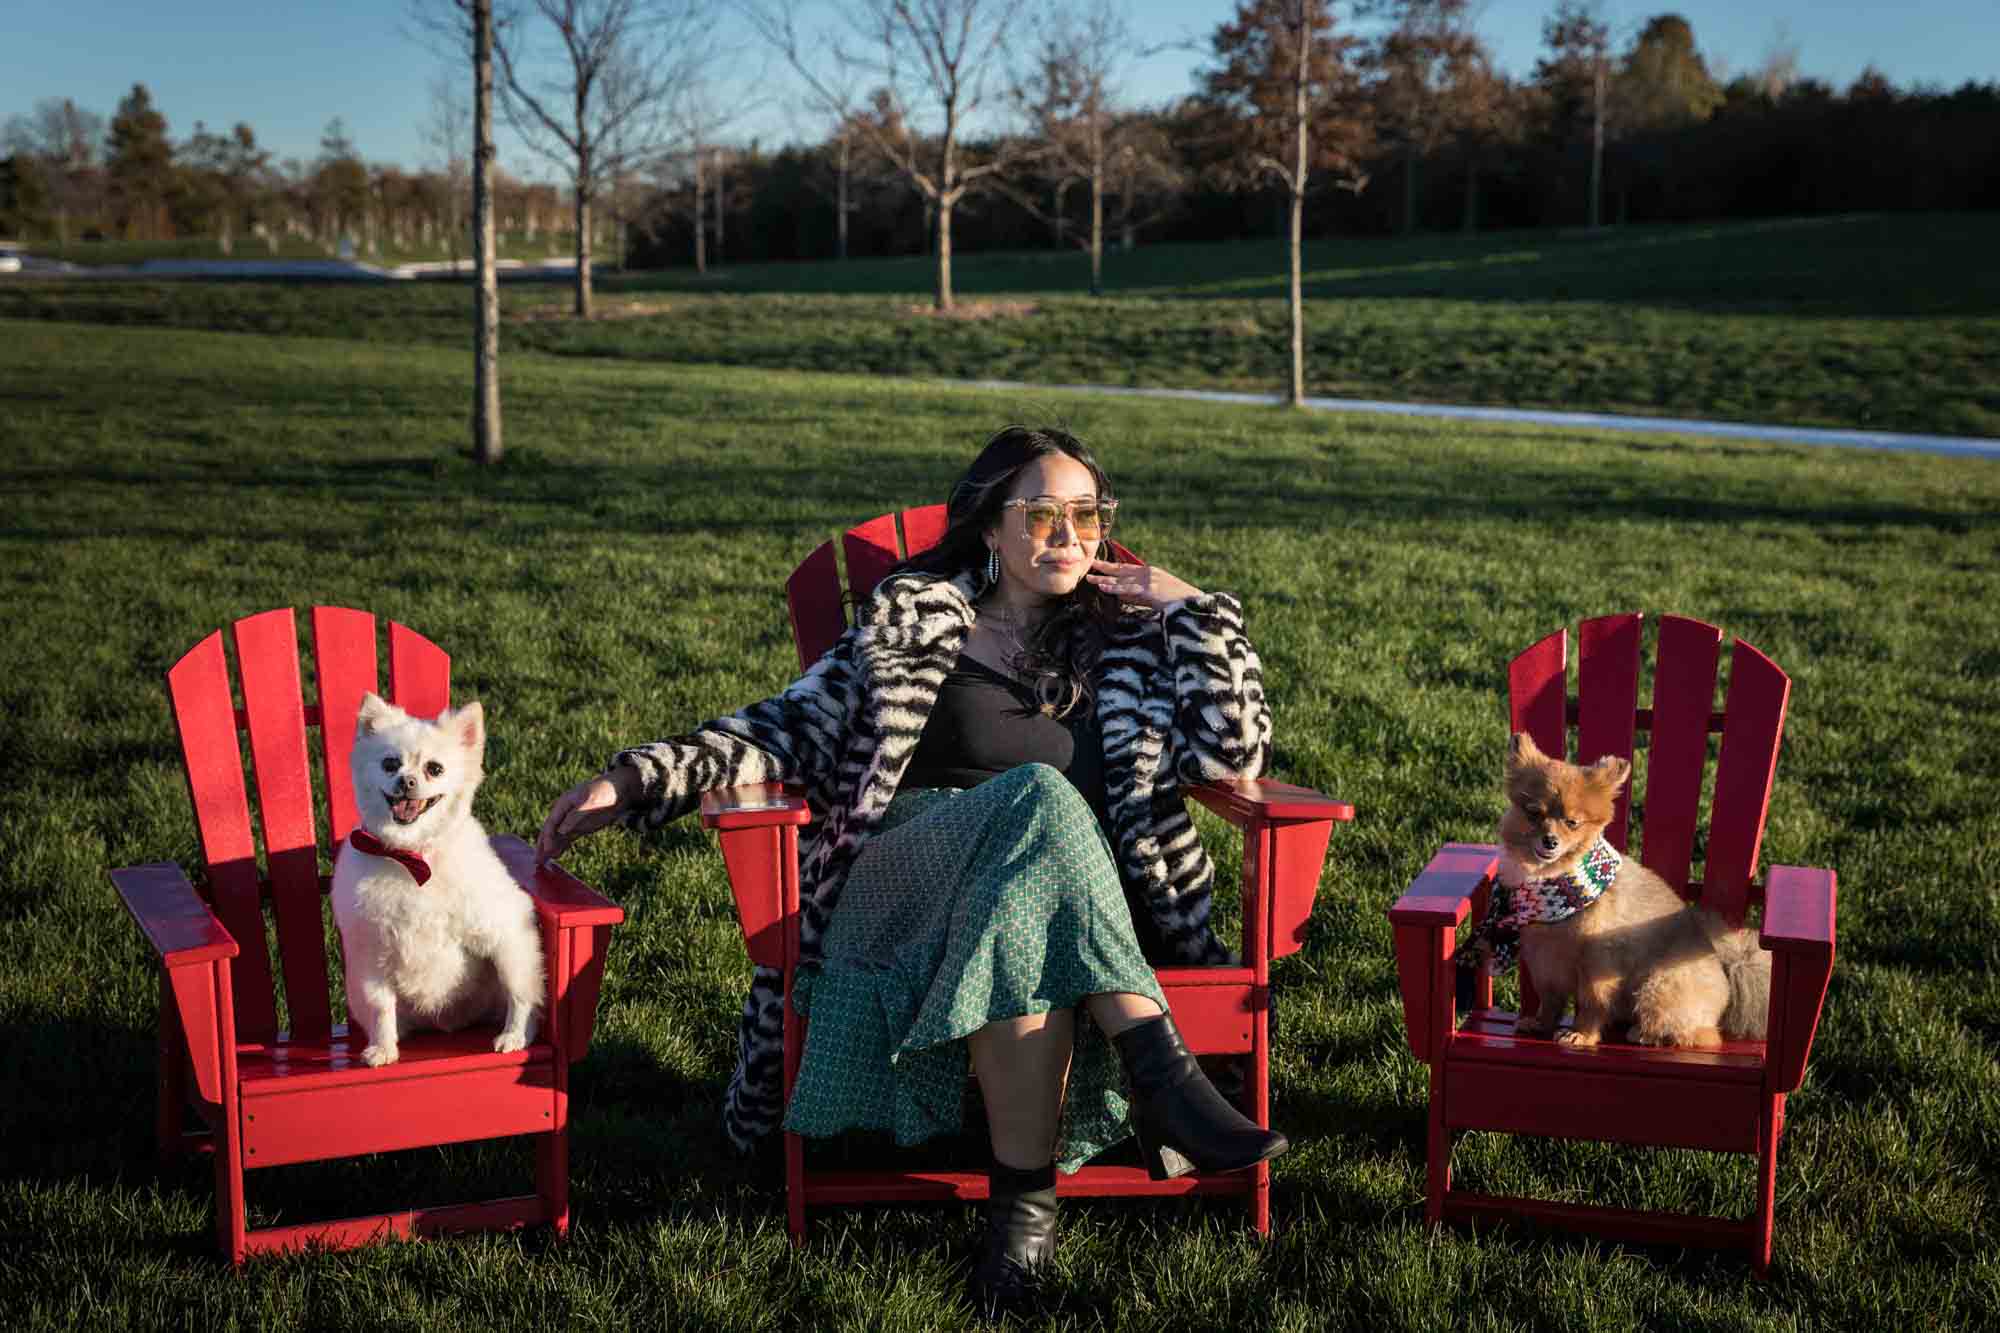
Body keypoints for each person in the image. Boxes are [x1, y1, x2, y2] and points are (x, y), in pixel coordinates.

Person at [538, 425, 1286, 1317]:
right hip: (902, 880)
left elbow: (1234, 756)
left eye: (1087, 515)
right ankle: (1160, 1071)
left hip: (1050, 899)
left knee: (1036, 861)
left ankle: (1021, 1236)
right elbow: (788, 727)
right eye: (1042, 514)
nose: (1069, 536)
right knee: (1043, 797)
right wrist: (631, 778)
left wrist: (1195, 609)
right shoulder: (918, 625)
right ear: (991, 529)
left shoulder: (1131, 643)